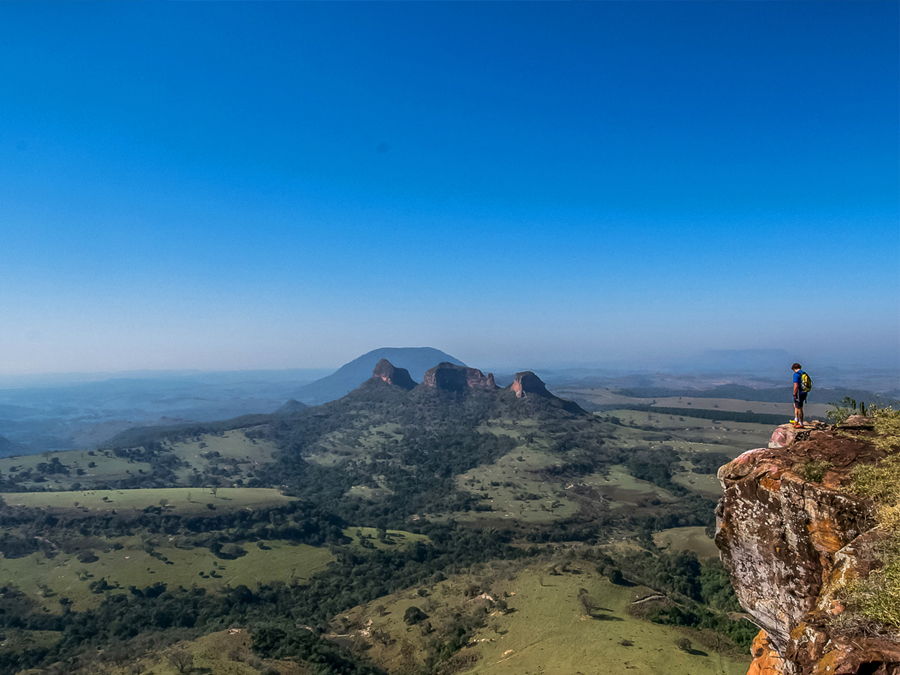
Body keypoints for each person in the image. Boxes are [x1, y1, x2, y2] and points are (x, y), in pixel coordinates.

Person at [791, 363, 807, 428]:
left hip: (798, 393)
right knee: (796, 406)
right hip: (804, 392)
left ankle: (800, 423)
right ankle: (796, 420)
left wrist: (794, 393)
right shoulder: (804, 373)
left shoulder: (796, 375)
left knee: (799, 408)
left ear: (794, 368)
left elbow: (796, 385)